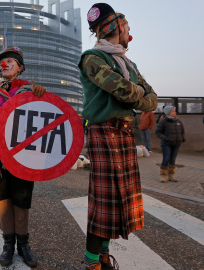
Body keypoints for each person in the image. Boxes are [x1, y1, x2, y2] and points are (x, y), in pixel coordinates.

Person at [78, 3, 157, 269]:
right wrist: (140, 96)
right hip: (103, 131)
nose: (129, 33)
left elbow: (152, 97)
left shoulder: (127, 62)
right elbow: (125, 91)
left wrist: (141, 97)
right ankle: (91, 264)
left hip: (123, 133)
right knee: (103, 204)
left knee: (116, 205)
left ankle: (102, 257)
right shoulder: (92, 58)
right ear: (115, 26)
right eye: (127, 27)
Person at [0, 47, 45, 268]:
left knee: (22, 204)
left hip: (24, 159)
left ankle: (23, 245)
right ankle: (8, 245)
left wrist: (44, 97)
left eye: (10, 61)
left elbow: (47, 121)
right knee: (4, 204)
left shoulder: (31, 93)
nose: (4, 64)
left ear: (20, 67)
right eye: (2, 62)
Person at [155, 106, 185, 183]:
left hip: (176, 144)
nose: (175, 112)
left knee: (173, 160)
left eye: (175, 111)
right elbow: (158, 132)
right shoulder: (163, 121)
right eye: (173, 111)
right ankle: (163, 176)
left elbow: (182, 131)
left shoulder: (178, 121)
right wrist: (166, 138)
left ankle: (171, 176)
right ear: (168, 112)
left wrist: (182, 138)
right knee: (166, 159)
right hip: (166, 144)